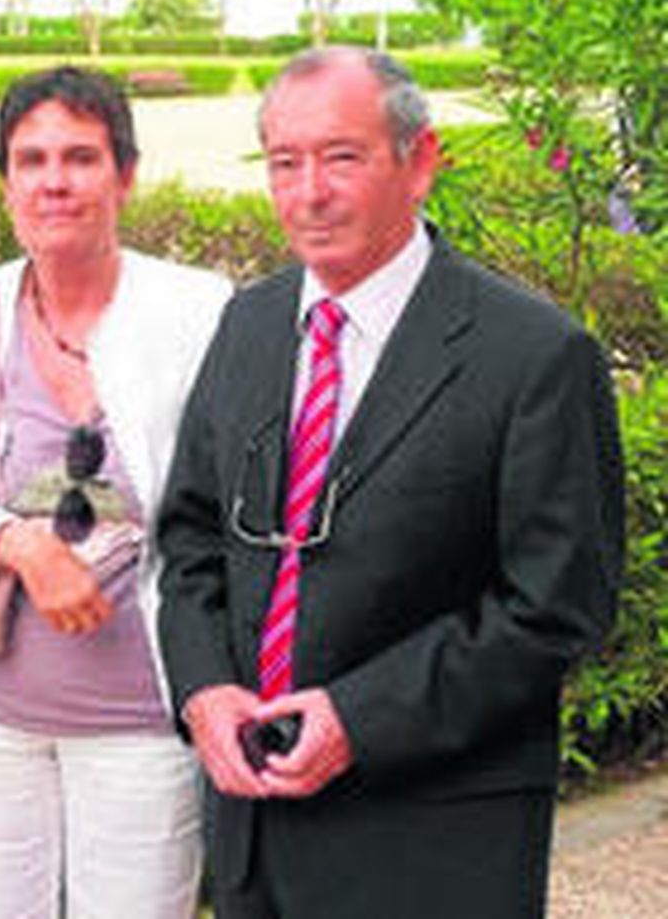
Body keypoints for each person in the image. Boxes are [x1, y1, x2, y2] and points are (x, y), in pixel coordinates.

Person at [157, 47, 625, 918]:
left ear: (420, 162)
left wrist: (359, 719)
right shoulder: (251, 323)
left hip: (434, 837)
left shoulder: (534, 356)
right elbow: (190, 540)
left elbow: (560, 606)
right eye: (283, 162)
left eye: (342, 157)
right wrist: (204, 689)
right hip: (256, 827)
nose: (308, 192)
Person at [0, 65, 232, 918]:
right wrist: (21, 543)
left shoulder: (199, 311)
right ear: (5, 182)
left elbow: (221, 504)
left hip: (144, 716)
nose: (55, 181)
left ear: (127, 173)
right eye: (30, 159)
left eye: (81, 156)